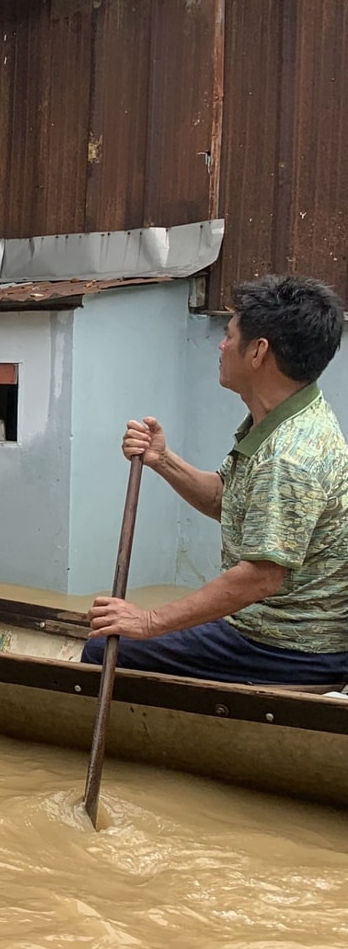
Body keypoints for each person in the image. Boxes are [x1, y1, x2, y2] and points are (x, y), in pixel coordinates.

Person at [87, 275, 348, 685]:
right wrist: (163, 460)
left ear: (258, 351)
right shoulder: (284, 418)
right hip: (267, 629)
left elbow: (260, 577)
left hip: (285, 646)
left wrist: (148, 620)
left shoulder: (288, 455)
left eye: (229, 335)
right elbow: (226, 501)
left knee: (104, 647)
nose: (221, 346)